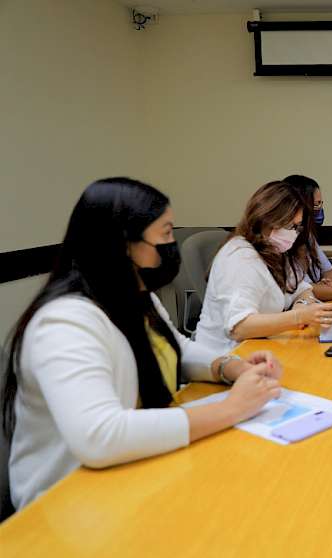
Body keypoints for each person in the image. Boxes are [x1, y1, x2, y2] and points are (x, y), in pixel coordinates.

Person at [1, 178, 284, 509]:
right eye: (166, 233)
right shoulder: (63, 322)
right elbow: (100, 436)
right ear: (123, 243)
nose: (172, 244)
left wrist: (230, 367)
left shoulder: (133, 295)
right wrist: (231, 408)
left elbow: (176, 348)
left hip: (133, 470)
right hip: (67, 501)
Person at [194, 181, 332, 354]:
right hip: (226, 356)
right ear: (268, 219)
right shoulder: (240, 256)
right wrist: (299, 317)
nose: (293, 233)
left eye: (297, 227)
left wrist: (302, 305)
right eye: (290, 226)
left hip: (263, 348)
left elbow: (303, 289)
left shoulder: (275, 250)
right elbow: (239, 327)